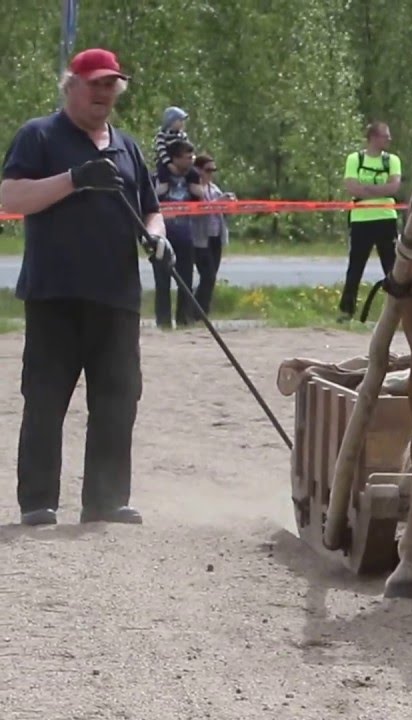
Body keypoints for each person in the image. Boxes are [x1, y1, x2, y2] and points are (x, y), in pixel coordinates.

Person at [0, 47, 172, 526]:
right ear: (70, 86)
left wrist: (155, 238)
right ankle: (38, 503)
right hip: (54, 293)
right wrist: (74, 179)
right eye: (93, 83)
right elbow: (12, 197)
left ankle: (106, 501)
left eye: (110, 84)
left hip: (116, 297)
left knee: (118, 399)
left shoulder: (128, 146)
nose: (102, 93)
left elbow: (151, 207)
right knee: (46, 398)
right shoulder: (39, 136)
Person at [338, 121, 401, 321]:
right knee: (356, 266)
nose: (389, 139)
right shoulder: (355, 159)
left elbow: (393, 187)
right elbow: (351, 186)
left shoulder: (392, 160)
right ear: (373, 138)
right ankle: (347, 310)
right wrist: (377, 191)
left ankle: (399, 311)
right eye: (385, 136)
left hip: (385, 218)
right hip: (361, 219)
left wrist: (366, 190)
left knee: (392, 267)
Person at [153, 138, 204, 329]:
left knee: (186, 279)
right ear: (174, 158)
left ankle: (184, 319)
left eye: (192, 156)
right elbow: (149, 199)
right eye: (186, 157)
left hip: (185, 234)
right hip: (162, 235)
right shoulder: (159, 176)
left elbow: (201, 198)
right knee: (162, 280)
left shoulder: (192, 177)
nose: (191, 160)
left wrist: (197, 189)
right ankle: (163, 321)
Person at [191, 153, 232, 315]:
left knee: (211, 277)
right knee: (207, 275)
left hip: (216, 237)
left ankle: (201, 311)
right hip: (200, 238)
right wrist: (218, 202)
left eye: (213, 170)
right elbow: (199, 211)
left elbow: (222, 213)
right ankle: (197, 312)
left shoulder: (214, 189)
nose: (211, 174)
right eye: (208, 170)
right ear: (198, 170)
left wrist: (229, 204)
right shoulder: (194, 189)